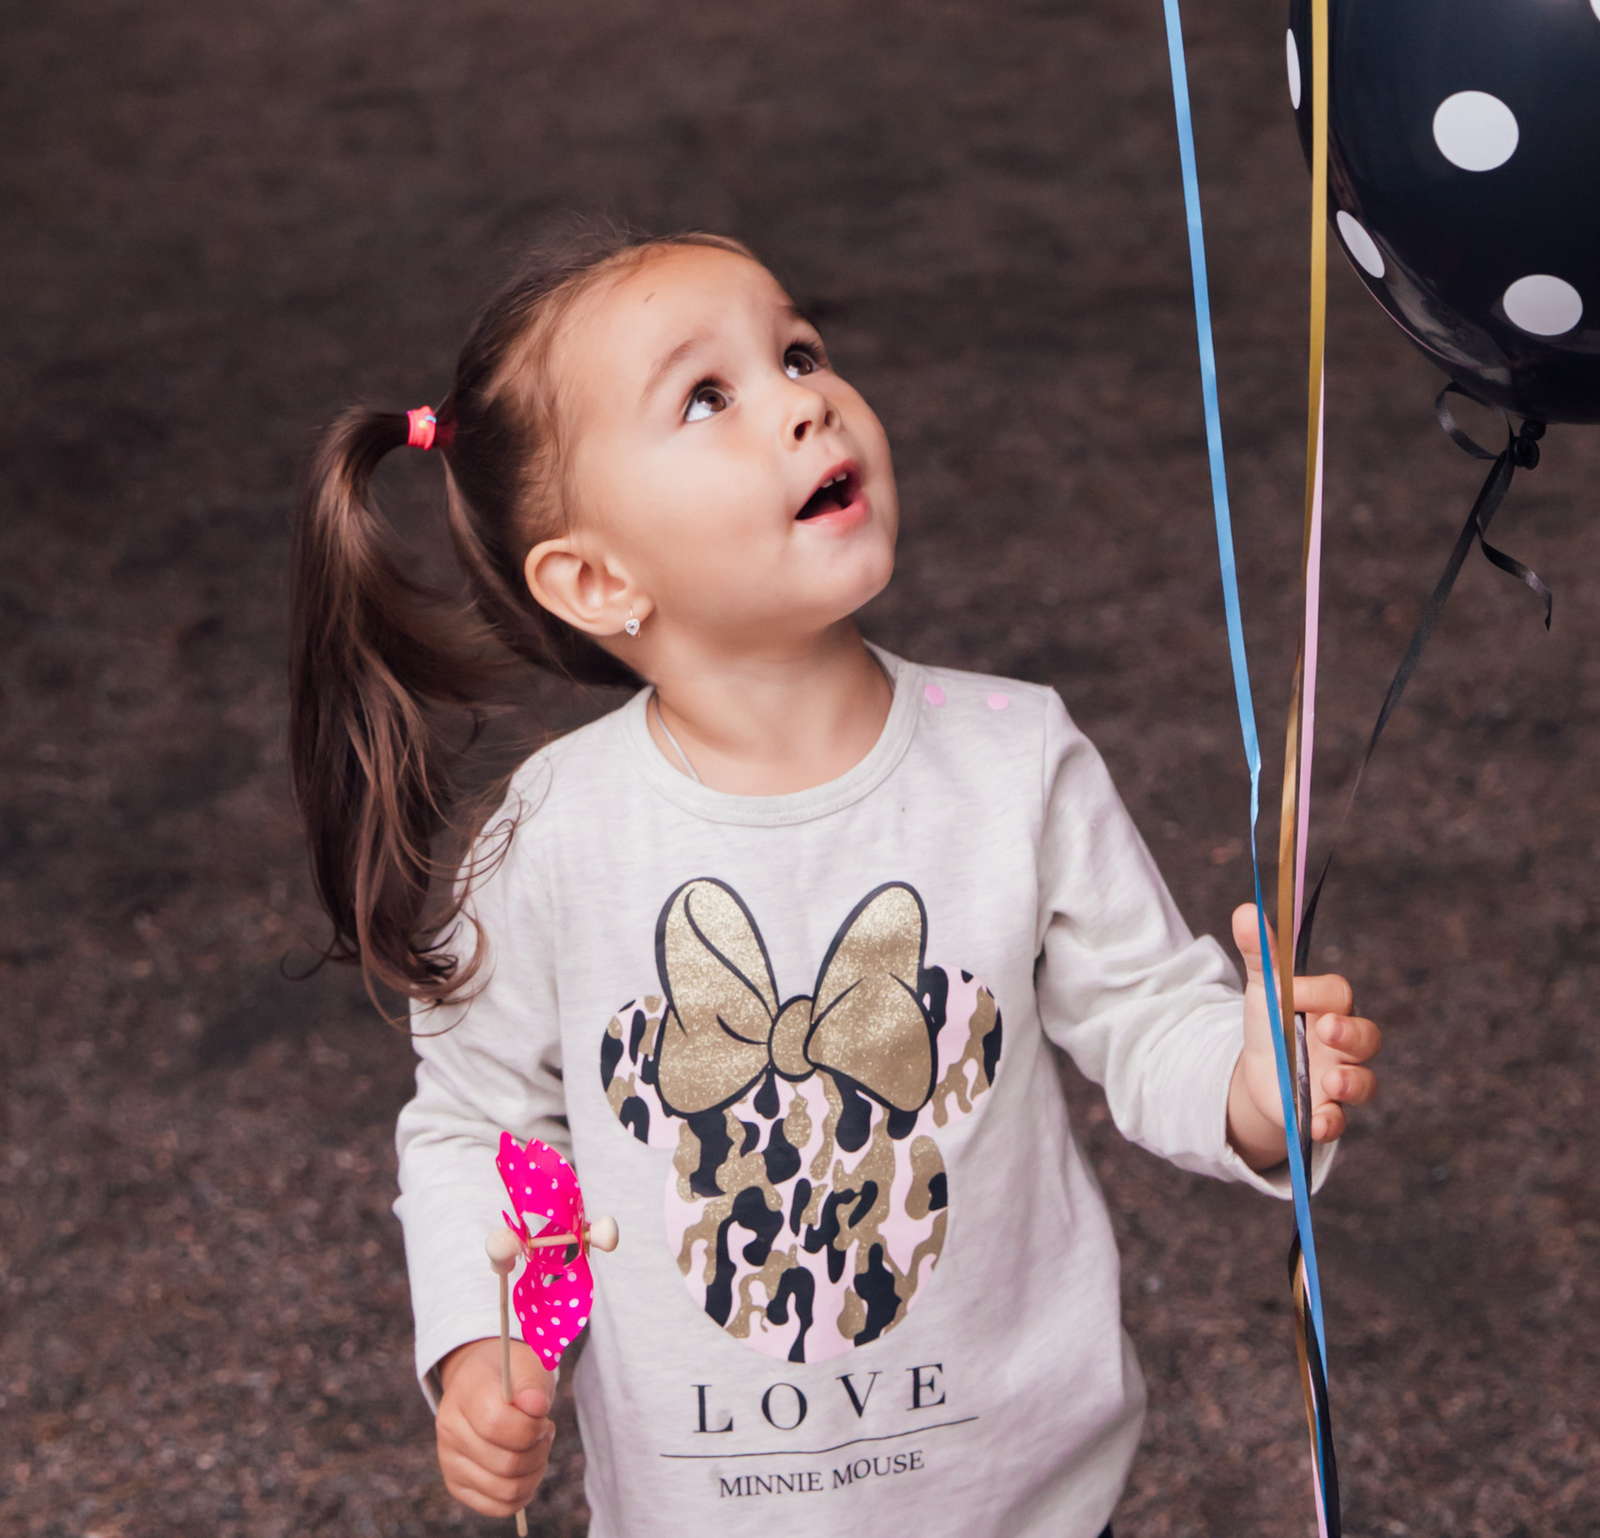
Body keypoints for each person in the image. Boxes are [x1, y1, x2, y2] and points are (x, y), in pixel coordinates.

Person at [288, 224, 1384, 1535]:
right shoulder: (558, 834)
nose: (802, 396)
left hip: (1025, 1496)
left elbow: (1145, 1011)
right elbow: (481, 1118)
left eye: (798, 350)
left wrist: (1252, 1086)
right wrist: (484, 1344)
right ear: (595, 578)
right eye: (708, 395)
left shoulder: (1012, 756)